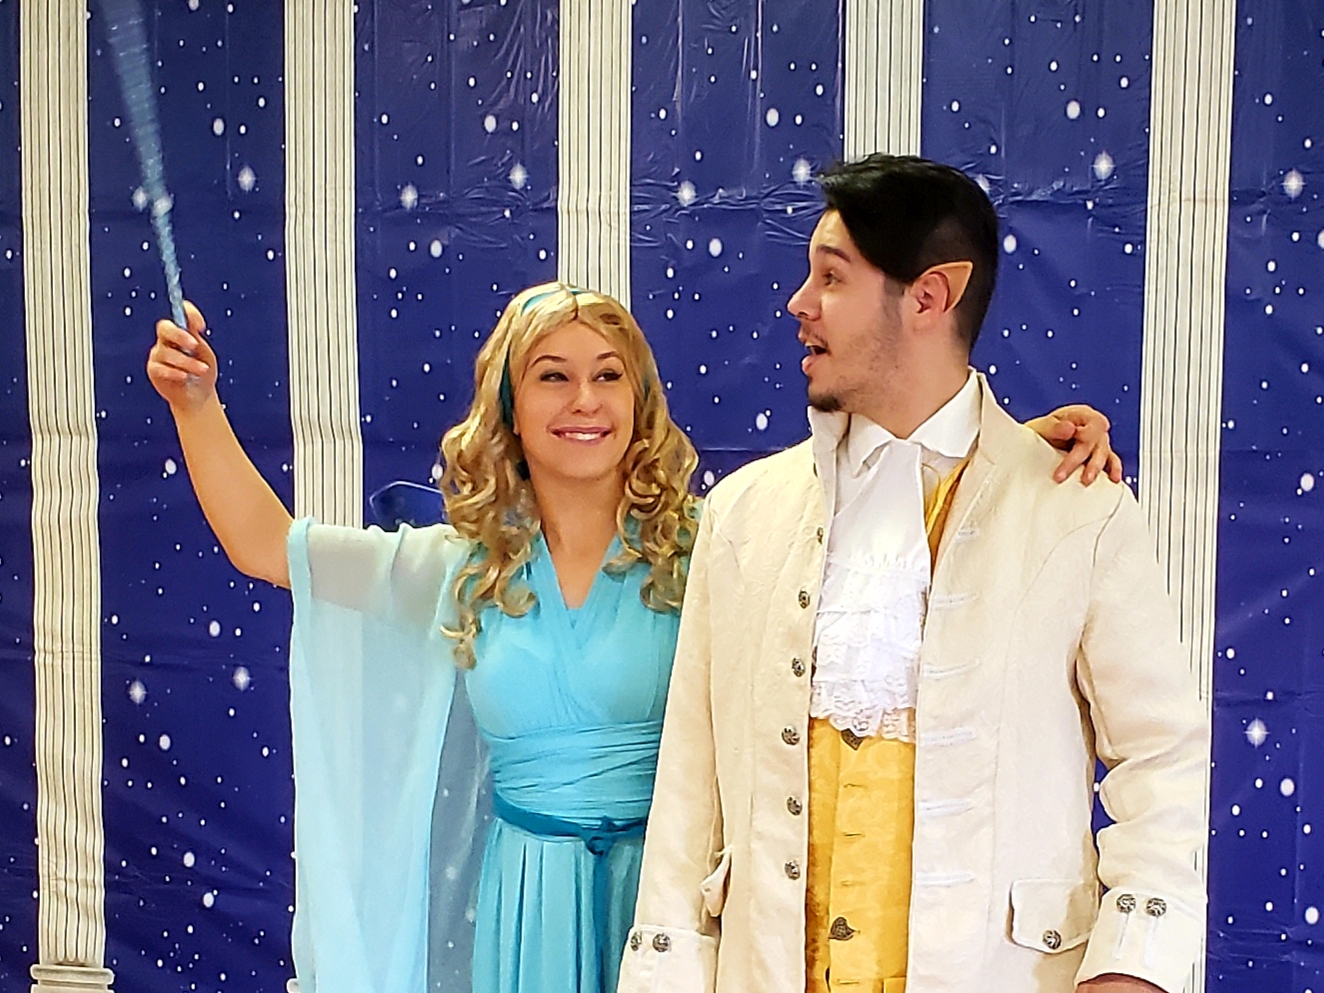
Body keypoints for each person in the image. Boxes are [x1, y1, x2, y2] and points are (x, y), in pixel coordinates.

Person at [147, 280, 1119, 993]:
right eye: (554, 377)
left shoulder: (720, 545)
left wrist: (1002, 452)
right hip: (525, 910)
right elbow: (267, 545)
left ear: (639, 400)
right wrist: (197, 405)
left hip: (677, 908)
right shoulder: (461, 568)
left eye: (608, 376)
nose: (585, 401)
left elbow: (878, 517)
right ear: (509, 407)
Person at [619, 156, 1208, 993]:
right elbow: (690, 790)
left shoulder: (1078, 508)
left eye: (832, 277)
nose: (799, 303)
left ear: (931, 296)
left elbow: (1162, 756)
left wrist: (1132, 968)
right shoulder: (744, 515)